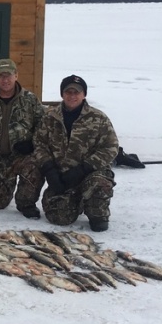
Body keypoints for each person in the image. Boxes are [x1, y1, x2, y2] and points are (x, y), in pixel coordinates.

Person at [32, 74, 118, 232]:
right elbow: (39, 144)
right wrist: (49, 169)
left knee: (100, 185)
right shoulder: (50, 117)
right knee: (58, 218)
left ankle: (97, 212)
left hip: (89, 173)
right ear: (62, 94)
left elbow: (111, 147)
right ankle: (75, 200)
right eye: (68, 92)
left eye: (76, 92)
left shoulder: (98, 118)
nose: (72, 96)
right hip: (61, 175)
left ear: (84, 94)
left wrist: (84, 168)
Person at [0, 58, 45, 219]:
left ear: (16, 76)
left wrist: (32, 143)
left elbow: (43, 126)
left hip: (22, 157)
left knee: (36, 165)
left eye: (9, 75)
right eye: (1, 76)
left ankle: (26, 202)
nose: (5, 80)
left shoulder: (30, 100)